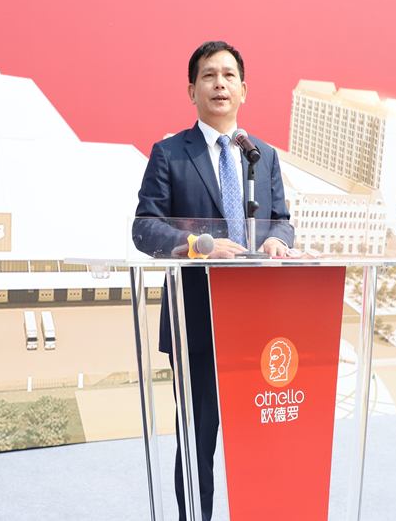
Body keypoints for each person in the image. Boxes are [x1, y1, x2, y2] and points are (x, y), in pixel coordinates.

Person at [133, 41, 293, 520]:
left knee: (262, 441)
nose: (219, 83)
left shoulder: (262, 155)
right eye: (208, 75)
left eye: (228, 75)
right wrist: (198, 245)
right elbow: (144, 228)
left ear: (244, 90)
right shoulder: (170, 154)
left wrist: (277, 239)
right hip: (196, 324)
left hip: (259, 325)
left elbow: (282, 221)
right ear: (192, 91)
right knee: (197, 444)